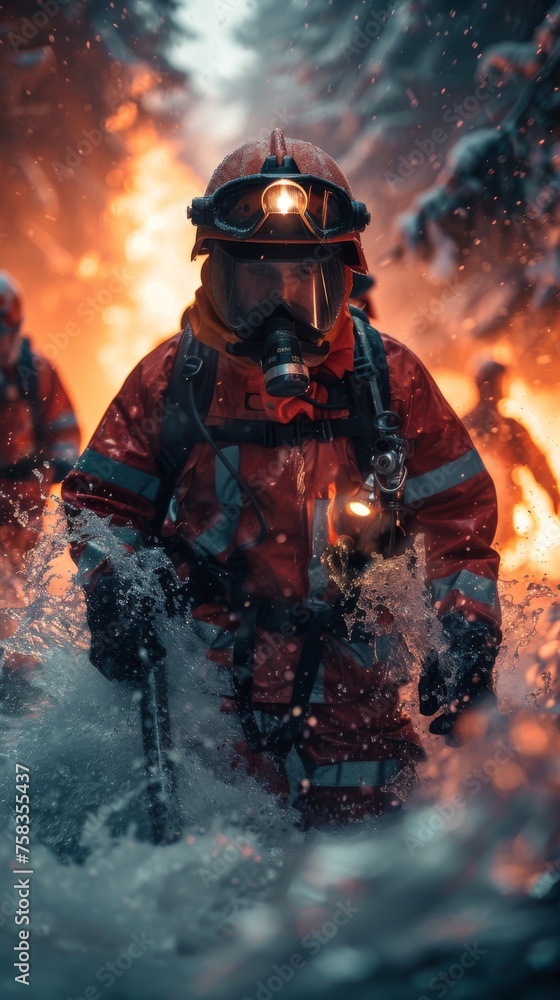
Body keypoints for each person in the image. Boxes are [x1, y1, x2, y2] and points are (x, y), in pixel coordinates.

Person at [62, 131, 501, 828]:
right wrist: (115, 591)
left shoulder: (389, 380)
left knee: (372, 880)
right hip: (212, 704)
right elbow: (100, 503)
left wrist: (467, 635)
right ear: (217, 276)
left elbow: (458, 515)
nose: (282, 307)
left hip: (358, 704)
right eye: (258, 281)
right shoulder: (173, 380)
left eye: (303, 281)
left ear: (341, 278)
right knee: (222, 883)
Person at [0, 270, 80, 700]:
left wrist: (49, 466)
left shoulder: (37, 373)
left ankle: (18, 685)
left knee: (17, 600)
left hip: (24, 517)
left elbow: (66, 431)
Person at [463, 358, 560, 550]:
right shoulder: (510, 427)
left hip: (467, 522)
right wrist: (554, 495)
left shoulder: (461, 424)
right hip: (501, 518)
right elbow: (538, 466)